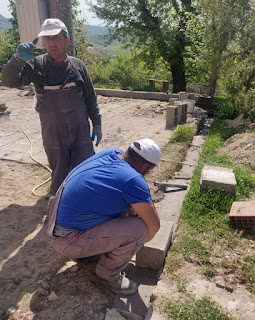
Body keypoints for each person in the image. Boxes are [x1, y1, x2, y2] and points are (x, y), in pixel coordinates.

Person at [46, 138, 161, 295]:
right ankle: (108, 276)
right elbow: (153, 226)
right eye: (150, 170)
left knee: (127, 210)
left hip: (57, 225)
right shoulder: (133, 179)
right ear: (144, 165)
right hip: (67, 240)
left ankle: (91, 252)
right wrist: (135, 243)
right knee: (139, 229)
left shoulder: (111, 153)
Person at [1, 18, 102, 195]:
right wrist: (16, 60)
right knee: (59, 171)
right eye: (47, 38)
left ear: (67, 40)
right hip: (53, 132)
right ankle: (58, 199)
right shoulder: (35, 65)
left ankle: (84, 198)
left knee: (85, 168)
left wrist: (97, 124)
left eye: (56, 37)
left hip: (80, 130)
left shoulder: (78, 66)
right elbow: (8, 82)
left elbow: (90, 98)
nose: (51, 43)